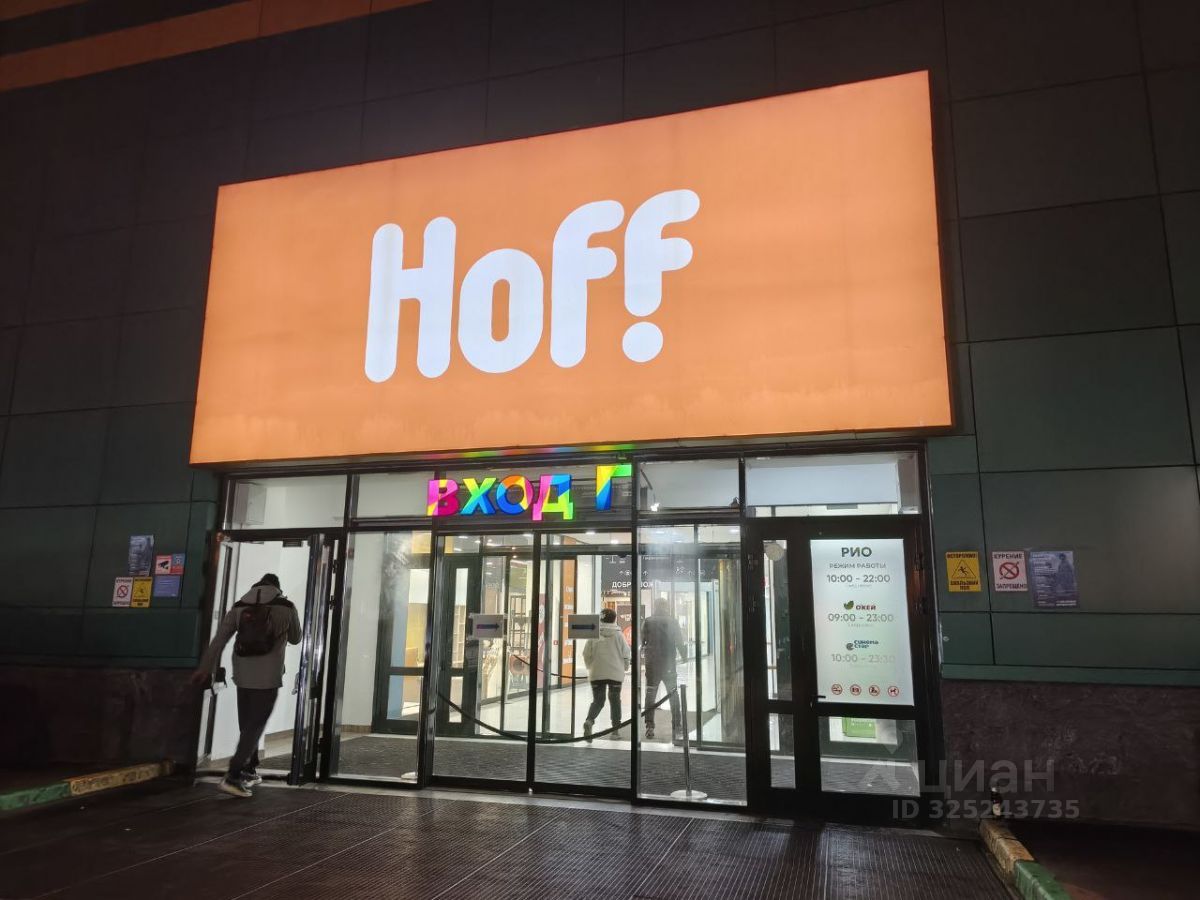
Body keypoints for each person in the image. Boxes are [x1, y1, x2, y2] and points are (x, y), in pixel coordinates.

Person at [190, 573, 301, 798]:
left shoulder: (240, 606)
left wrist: (205, 668)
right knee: (255, 725)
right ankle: (233, 775)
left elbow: (219, 640)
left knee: (248, 724)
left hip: (242, 674)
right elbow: (295, 638)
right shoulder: (286, 607)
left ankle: (249, 769)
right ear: (277, 588)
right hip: (268, 676)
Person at [641, 597, 687, 741]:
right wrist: (684, 656)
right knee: (673, 694)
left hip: (652, 664)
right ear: (666, 607)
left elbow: (642, 641)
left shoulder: (647, 621)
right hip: (668, 663)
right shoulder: (673, 621)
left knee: (650, 694)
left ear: (655, 607)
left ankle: (649, 726)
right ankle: (677, 725)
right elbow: (679, 640)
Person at [581, 608, 629, 742]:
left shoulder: (594, 634)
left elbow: (586, 653)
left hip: (597, 672)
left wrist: (590, 666)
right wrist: (625, 667)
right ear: (614, 619)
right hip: (615, 673)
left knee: (598, 701)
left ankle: (589, 721)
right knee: (615, 701)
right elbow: (626, 653)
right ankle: (615, 731)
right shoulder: (619, 635)